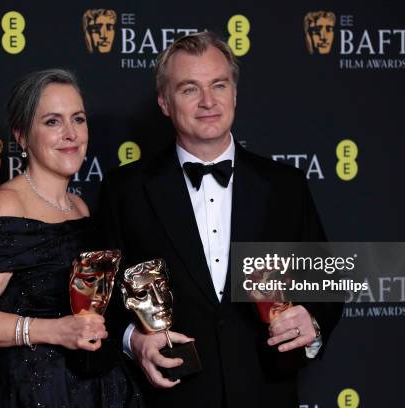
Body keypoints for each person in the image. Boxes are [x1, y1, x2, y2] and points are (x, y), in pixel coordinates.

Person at [97, 32, 343, 407]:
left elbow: (325, 280)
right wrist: (135, 340)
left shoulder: (285, 186)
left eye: (218, 85)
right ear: (164, 102)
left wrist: (313, 320)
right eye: (189, 89)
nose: (208, 102)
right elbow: (101, 301)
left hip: (267, 393)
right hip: (172, 397)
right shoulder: (124, 191)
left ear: (235, 94)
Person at [0, 69, 137, 407]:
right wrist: (54, 330)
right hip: (31, 391)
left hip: (95, 386)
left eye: (78, 119)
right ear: (21, 136)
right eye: (52, 122)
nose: (71, 133)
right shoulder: (7, 204)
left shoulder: (78, 205)